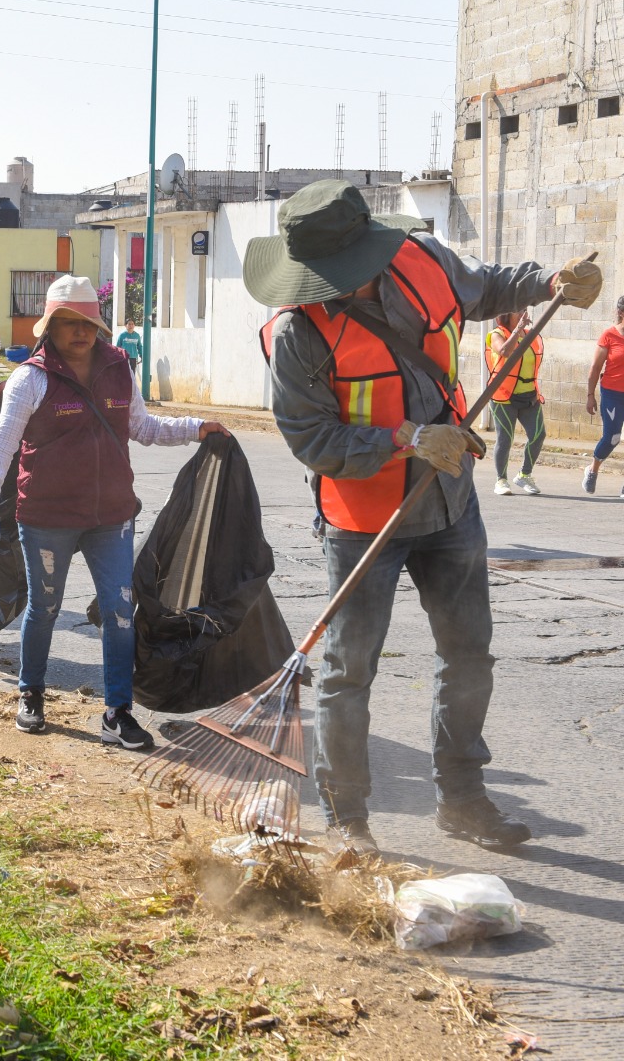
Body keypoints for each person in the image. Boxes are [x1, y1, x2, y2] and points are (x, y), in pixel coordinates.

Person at [251, 179, 601, 854]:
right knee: (350, 672)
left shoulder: (425, 260)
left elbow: (490, 288)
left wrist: (549, 279)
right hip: (361, 522)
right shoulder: (297, 334)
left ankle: (464, 800)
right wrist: (406, 439)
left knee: (468, 656)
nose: (336, 287)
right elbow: (311, 440)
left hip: (450, 504)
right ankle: (349, 820)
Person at [0, 275, 225, 743]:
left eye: (87, 322)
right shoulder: (31, 378)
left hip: (111, 518)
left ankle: (117, 712)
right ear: (50, 327)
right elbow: (1, 443)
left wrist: (196, 428)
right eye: (68, 322)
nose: (80, 332)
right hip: (46, 519)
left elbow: (143, 428)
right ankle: (31, 693)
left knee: (120, 611)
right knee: (44, 608)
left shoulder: (118, 368)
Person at [484, 310, 545, 495]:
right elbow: (504, 351)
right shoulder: (497, 334)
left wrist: (535, 390)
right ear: (506, 315)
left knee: (538, 435)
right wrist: (517, 330)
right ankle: (501, 480)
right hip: (504, 396)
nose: (522, 313)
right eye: (518, 311)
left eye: (523, 310)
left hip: (529, 395)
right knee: (505, 439)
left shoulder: (530, 336)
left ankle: (524, 474)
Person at [582, 296, 624, 496]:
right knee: (612, 437)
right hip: (612, 393)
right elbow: (595, 367)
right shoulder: (609, 335)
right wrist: (590, 395)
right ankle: (593, 469)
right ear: (621, 313)